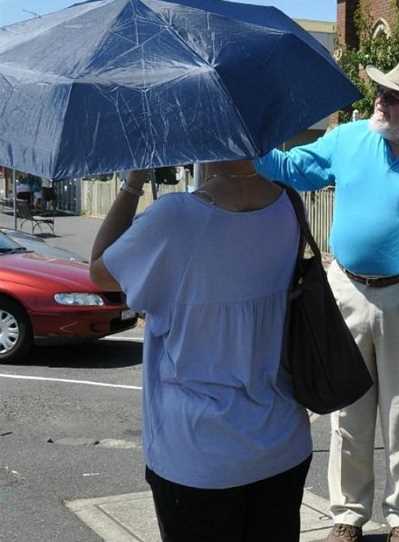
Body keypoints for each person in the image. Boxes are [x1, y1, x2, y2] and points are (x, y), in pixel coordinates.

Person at [255, 59, 399, 542]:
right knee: (346, 407)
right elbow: (295, 168)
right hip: (347, 287)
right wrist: (245, 143)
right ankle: (348, 513)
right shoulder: (350, 137)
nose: (380, 100)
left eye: (393, 96)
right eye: (380, 91)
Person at [88, 161, 312, 541]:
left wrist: (133, 182)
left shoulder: (176, 215)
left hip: (198, 452)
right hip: (281, 439)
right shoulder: (290, 204)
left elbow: (100, 270)